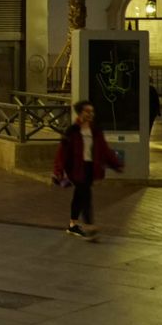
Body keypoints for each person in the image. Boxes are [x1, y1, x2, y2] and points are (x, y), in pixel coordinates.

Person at [53, 100, 123, 239]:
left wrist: (115, 164)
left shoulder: (95, 130)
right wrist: (58, 170)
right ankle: (89, 226)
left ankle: (73, 225)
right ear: (80, 113)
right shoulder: (72, 130)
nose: (90, 114)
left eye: (92, 111)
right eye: (87, 111)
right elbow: (62, 152)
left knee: (79, 195)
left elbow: (104, 149)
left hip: (90, 167)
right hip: (76, 168)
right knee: (86, 194)